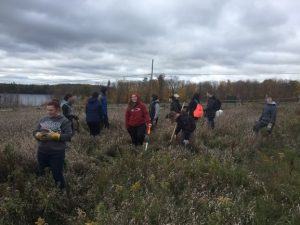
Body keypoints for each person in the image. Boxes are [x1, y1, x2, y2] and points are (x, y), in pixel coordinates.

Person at [33, 99, 72, 189]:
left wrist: (55, 136)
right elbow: (35, 131)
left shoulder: (64, 121)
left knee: (57, 174)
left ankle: (61, 193)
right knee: (41, 173)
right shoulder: (43, 119)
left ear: (57, 109)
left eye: (51, 110)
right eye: (47, 110)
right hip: (42, 151)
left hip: (57, 153)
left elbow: (69, 136)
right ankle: (44, 191)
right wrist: (37, 135)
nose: (48, 112)